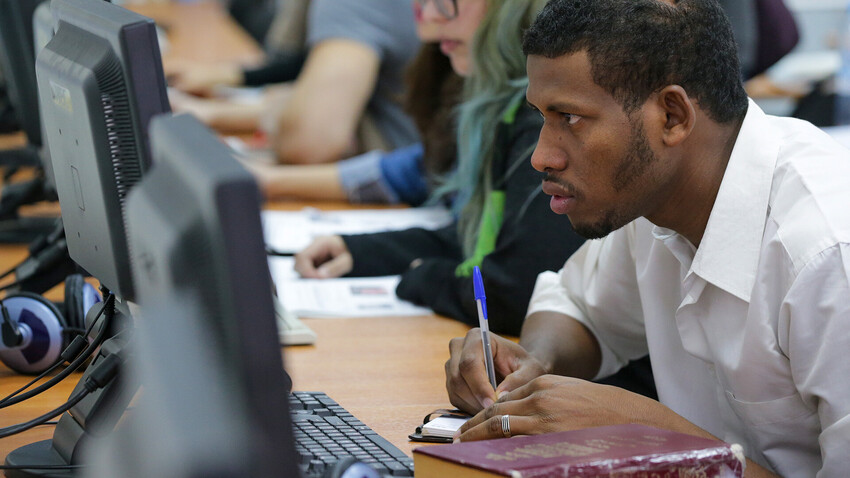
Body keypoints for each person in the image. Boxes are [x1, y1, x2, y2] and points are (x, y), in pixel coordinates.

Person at [444, 0, 850, 476]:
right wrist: (534, 363)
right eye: (542, 118)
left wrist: (647, 436)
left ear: (672, 116)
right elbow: (579, 308)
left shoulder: (827, 257)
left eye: (569, 118)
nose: (542, 156)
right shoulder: (659, 195)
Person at [293, 0, 584, 336]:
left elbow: (516, 290)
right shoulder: (499, 105)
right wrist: (363, 252)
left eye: (448, 2)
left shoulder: (540, 117)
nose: (428, 19)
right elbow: (482, 238)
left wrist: (424, 276)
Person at [170, 0, 421, 164]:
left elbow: (311, 139)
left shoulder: (354, 5)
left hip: (410, 190)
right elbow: (312, 74)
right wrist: (218, 106)